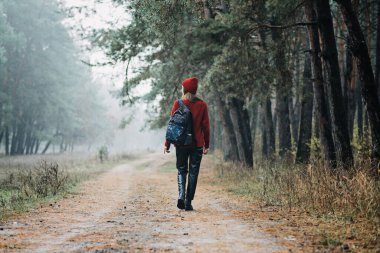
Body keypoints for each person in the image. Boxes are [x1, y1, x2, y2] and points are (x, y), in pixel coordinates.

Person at [164, 77, 210, 211]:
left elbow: (172, 125)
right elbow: (206, 127)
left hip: (181, 144)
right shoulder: (202, 105)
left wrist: (167, 144)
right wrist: (206, 144)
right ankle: (188, 202)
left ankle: (181, 196)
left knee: (182, 170)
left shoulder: (178, 103)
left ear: (184, 89)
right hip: (197, 145)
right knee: (193, 173)